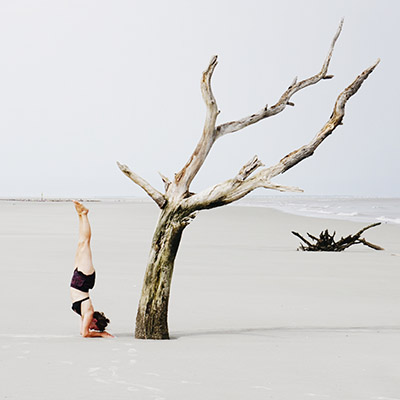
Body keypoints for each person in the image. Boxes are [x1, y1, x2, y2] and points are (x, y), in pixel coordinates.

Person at [70, 201, 114, 338]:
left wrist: (94, 333)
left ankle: (80, 215)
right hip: (83, 280)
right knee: (85, 242)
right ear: (94, 320)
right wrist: (102, 334)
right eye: (94, 327)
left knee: (81, 242)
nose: (91, 328)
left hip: (78, 279)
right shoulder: (88, 312)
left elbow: (82, 332)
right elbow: (85, 334)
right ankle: (84, 214)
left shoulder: (85, 314)